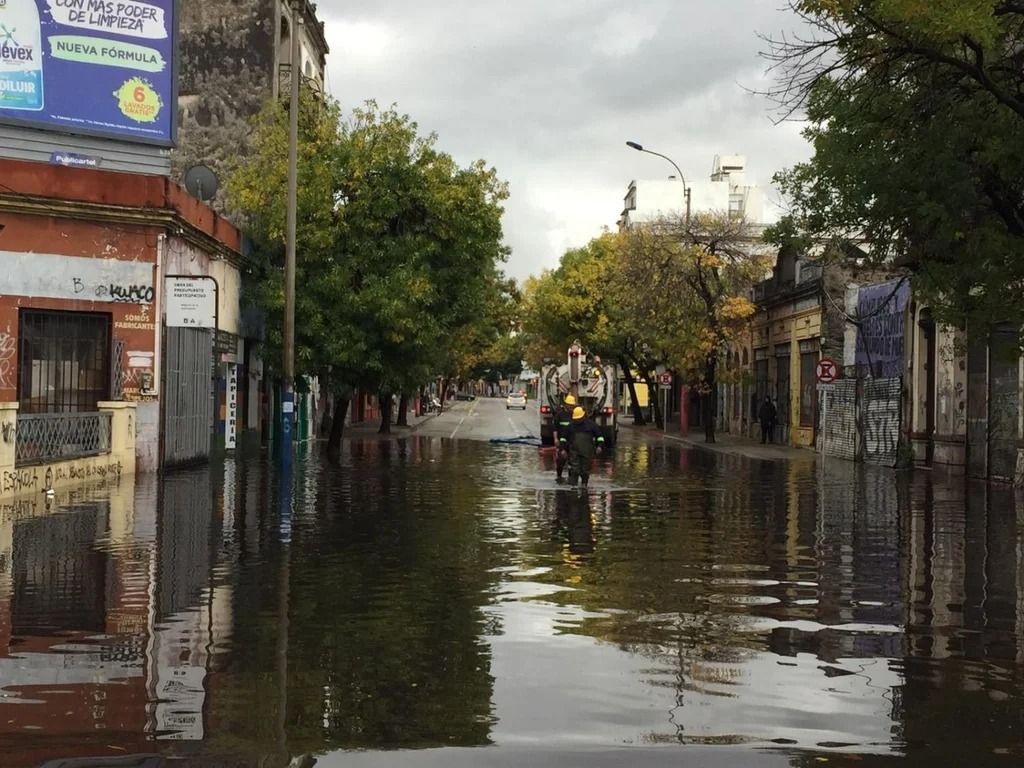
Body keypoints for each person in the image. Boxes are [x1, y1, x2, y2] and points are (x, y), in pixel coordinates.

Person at [566, 406, 605, 488]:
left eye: (578, 419)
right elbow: (564, 438)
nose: (576, 420)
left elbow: (599, 436)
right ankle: (573, 487)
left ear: (582, 417)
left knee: (585, 470)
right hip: (574, 452)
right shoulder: (571, 426)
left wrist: (600, 446)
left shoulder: (591, 425)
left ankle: (584, 485)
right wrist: (563, 449)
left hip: (587, 452)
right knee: (574, 469)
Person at [554, 394, 576, 481]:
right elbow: (555, 428)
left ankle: (571, 478)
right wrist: (556, 439)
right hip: (562, 442)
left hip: (572, 442)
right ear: (566, 405)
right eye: (569, 405)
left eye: (572, 406)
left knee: (572, 462)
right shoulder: (560, 415)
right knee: (561, 461)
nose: (571, 407)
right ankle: (559, 476)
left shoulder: (575, 415)